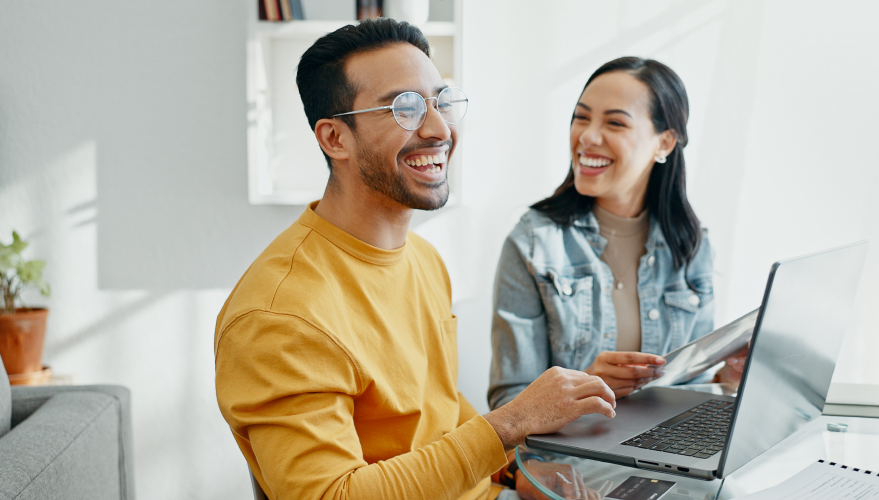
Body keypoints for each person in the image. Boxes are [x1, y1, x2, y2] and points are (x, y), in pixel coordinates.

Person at [214, 19, 614, 500]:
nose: (439, 128)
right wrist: (512, 421)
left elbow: (439, 412)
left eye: (441, 101)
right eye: (404, 107)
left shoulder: (422, 259)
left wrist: (515, 472)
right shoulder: (281, 316)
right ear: (334, 138)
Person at [490, 57, 728, 411]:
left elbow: (690, 390)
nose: (587, 136)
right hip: (568, 460)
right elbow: (507, 407)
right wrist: (584, 385)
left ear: (664, 142)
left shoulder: (691, 245)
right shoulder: (533, 243)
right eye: (581, 117)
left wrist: (731, 380)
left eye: (615, 122)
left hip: (662, 458)